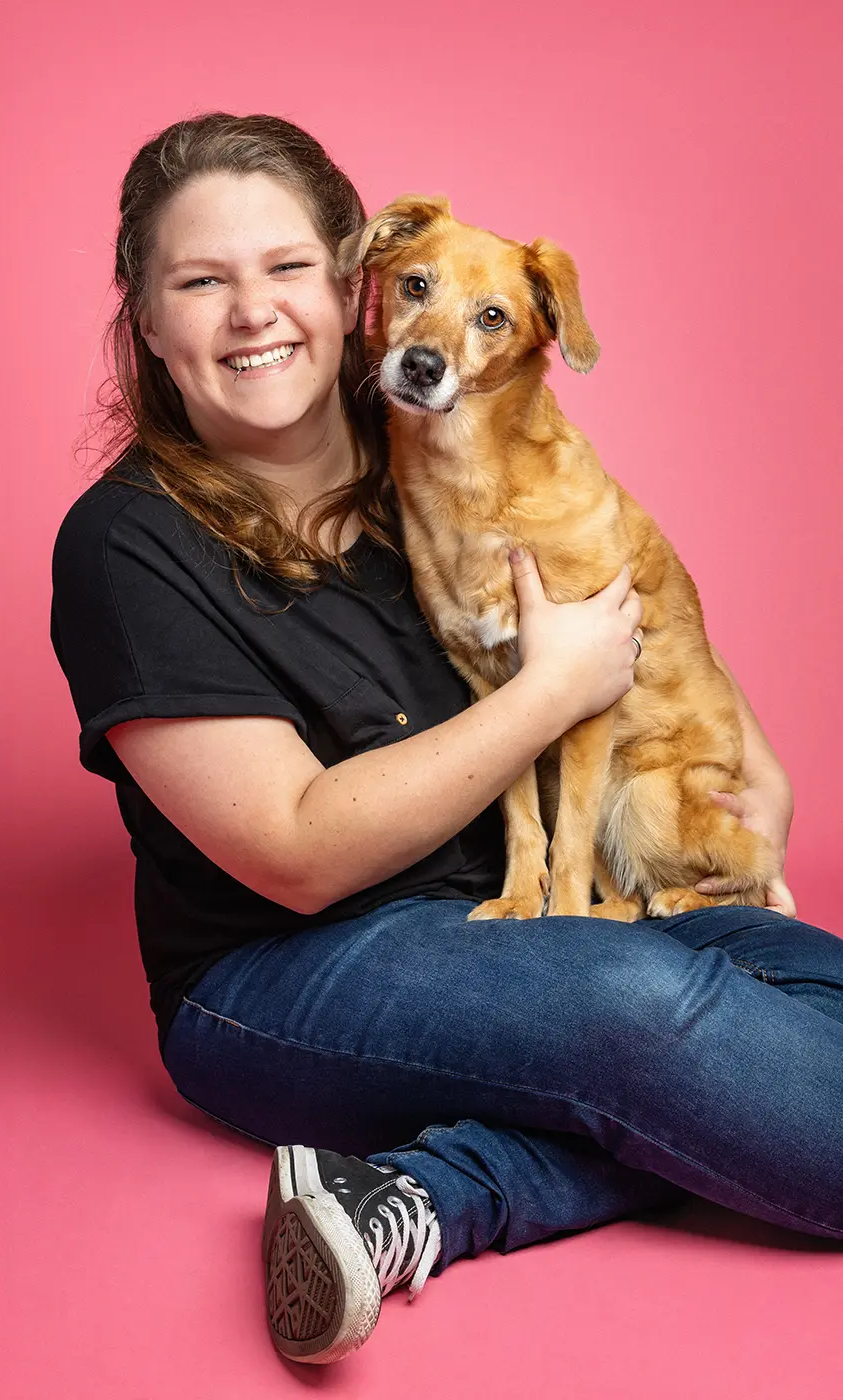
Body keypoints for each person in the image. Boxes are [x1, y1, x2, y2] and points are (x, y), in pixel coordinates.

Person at [50, 112, 843, 1366]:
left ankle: (414, 1195)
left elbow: (631, 577)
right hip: (283, 976)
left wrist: (759, 757)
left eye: (288, 268)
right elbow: (296, 852)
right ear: (146, 320)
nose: (253, 312)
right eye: (200, 282)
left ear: (352, 287)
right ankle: (525, 1149)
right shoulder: (124, 545)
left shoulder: (435, 443)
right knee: (643, 1005)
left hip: (519, 915)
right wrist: (550, 691)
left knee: (803, 980)